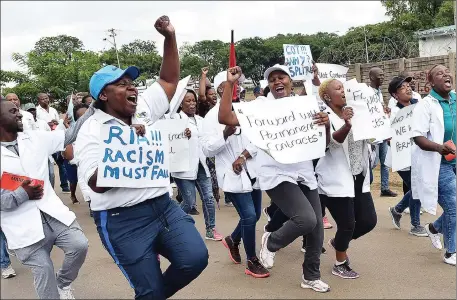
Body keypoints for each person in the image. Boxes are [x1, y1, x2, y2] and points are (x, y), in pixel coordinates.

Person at [75, 16, 208, 300]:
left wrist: (170, 37)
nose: (132, 88)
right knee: (149, 290)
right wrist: (126, 147)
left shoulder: (144, 108)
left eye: (132, 83)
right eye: (121, 85)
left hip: (164, 208)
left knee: (195, 259)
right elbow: (95, 183)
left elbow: (170, 79)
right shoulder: (91, 131)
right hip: (123, 220)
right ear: (103, 97)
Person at [218, 64, 331, 293]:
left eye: (282, 77)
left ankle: (311, 276)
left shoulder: (305, 105)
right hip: (276, 174)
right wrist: (230, 84)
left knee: (317, 229)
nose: (278, 82)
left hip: (304, 173)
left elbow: (324, 144)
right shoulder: (261, 107)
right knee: (306, 219)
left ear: (291, 82)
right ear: (268, 85)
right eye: (272, 79)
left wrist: (325, 125)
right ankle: (271, 242)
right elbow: (225, 117)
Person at [0, 99, 91, 299]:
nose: (20, 114)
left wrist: (95, 107)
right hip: (22, 226)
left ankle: (63, 283)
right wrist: (23, 194)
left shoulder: (34, 138)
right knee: (44, 270)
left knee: (79, 245)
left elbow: (70, 133)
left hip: (52, 214)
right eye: (13, 111)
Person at [201, 84, 269, 278]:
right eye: (230, 86)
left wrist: (244, 155)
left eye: (238, 85)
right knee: (248, 216)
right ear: (222, 90)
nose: (236, 89)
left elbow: (259, 138)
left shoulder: (246, 110)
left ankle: (233, 239)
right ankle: (252, 261)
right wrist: (224, 134)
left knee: (255, 215)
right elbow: (207, 150)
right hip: (232, 176)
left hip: (252, 172)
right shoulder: (211, 118)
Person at [315, 79, 378, 279]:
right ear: (327, 96)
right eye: (339, 88)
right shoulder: (324, 117)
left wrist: (378, 121)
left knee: (368, 221)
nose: (344, 91)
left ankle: (338, 242)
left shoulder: (356, 111)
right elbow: (331, 144)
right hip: (336, 179)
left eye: (344, 88)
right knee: (347, 224)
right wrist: (347, 123)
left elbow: (371, 137)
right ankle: (340, 263)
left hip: (359, 175)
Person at [412, 64, 456, 266]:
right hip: (439, 164)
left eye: (448, 72)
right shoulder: (426, 104)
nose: (446, 74)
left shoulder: (455, 99)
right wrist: (439, 148)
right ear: (430, 81)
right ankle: (451, 251)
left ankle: (434, 228)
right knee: (454, 207)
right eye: (440, 73)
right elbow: (418, 137)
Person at [172, 89, 223, 241]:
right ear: (181, 103)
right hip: (183, 168)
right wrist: (181, 134)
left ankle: (210, 229)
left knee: (208, 198)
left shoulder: (201, 120)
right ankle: (173, 226)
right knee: (189, 202)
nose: (192, 103)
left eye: (193, 100)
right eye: (188, 101)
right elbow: (168, 136)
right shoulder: (174, 119)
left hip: (201, 165)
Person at [386, 76, 427, 237]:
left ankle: (397, 210)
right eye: (402, 87)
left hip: (417, 155)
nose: (408, 88)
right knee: (417, 188)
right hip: (401, 158)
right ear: (395, 95)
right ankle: (415, 225)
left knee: (417, 187)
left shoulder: (419, 105)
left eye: (408, 85)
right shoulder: (394, 113)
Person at [368, 67, 397, 197]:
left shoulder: (379, 92)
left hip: (383, 132)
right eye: (380, 75)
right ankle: (365, 184)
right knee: (373, 162)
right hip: (373, 134)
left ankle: (385, 188)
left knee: (385, 162)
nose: (383, 77)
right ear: (372, 77)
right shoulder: (367, 93)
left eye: (384, 75)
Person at [36, 93, 71, 194]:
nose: (45, 100)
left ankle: (64, 185)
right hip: (45, 141)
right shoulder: (36, 111)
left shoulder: (53, 110)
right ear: (38, 101)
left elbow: (59, 122)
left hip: (55, 139)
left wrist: (56, 122)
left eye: (46, 98)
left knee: (61, 163)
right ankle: (48, 189)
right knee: (48, 166)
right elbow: (37, 124)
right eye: (42, 99)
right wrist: (47, 124)